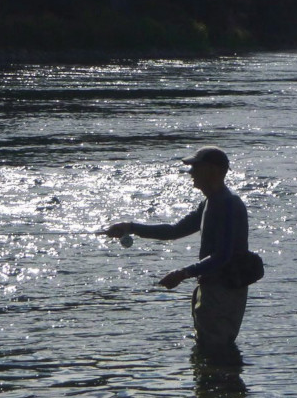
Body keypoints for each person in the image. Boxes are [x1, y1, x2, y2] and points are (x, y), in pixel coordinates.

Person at [105, 146, 249, 356]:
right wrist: (131, 227)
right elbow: (173, 231)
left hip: (224, 291)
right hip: (212, 289)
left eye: (195, 167)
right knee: (207, 349)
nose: (190, 173)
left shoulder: (228, 205)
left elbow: (223, 255)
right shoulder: (210, 203)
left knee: (216, 352)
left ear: (214, 171)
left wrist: (183, 273)